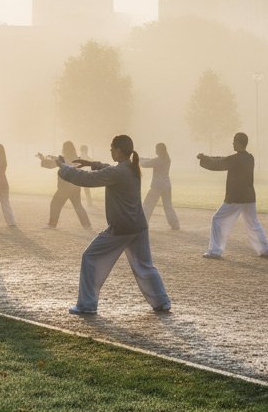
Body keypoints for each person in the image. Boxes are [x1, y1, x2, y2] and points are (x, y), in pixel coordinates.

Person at [57, 135, 171, 315]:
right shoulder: (131, 168)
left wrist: (63, 167)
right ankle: (162, 302)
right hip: (138, 226)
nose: (110, 150)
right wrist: (92, 162)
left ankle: (86, 305)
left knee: (89, 257)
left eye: (112, 148)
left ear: (119, 150)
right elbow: (109, 169)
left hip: (121, 228)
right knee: (146, 265)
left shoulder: (120, 172)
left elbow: (87, 179)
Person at [198, 132, 268, 259]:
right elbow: (224, 159)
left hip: (236, 197)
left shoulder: (235, 159)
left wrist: (203, 159)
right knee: (253, 223)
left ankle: (215, 251)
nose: (232, 143)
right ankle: (265, 250)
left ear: (239, 142)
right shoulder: (250, 157)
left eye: (234, 141)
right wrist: (206, 157)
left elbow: (219, 163)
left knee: (217, 219)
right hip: (249, 196)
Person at [37, 141, 92, 230]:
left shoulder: (64, 159)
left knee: (55, 203)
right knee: (78, 205)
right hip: (75, 186)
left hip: (65, 187)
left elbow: (52, 164)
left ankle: (52, 224)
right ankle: (87, 225)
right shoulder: (76, 158)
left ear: (65, 149)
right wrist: (53, 157)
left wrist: (42, 159)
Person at [140, 142, 181, 230]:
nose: (155, 150)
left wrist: (138, 160)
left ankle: (142, 224)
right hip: (166, 185)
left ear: (160, 150)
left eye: (156, 149)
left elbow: (145, 164)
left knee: (148, 204)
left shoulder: (158, 160)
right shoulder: (167, 159)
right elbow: (150, 160)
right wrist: (142, 158)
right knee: (168, 205)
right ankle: (175, 224)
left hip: (157, 186)